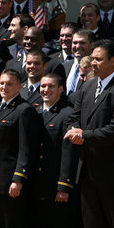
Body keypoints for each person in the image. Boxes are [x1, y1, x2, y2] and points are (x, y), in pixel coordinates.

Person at [0, 69, 41, 228]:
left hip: (9, 179)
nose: (4, 87)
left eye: (9, 84)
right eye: (2, 83)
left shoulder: (24, 109)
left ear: (19, 87)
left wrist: (18, 179)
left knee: (12, 221)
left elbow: (26, 149)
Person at [64, 39, 114, 228]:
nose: (93, 63)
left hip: (109, 172)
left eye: (99, 59)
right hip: (86, 169)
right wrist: (74, 131)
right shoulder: (87, 87)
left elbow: (112, 129)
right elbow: (73, 118)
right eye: (92, 59)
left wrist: (84, 135)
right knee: (91, 221)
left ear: (113, 61)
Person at [30, 73, 79, 228]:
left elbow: (68, 153)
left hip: (54, 184)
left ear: (61, 89)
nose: (46, 90)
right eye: (43, 86)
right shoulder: (34, 112)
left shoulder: (67, 114)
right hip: (34, 183)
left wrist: (63, 186)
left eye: (51, 86)